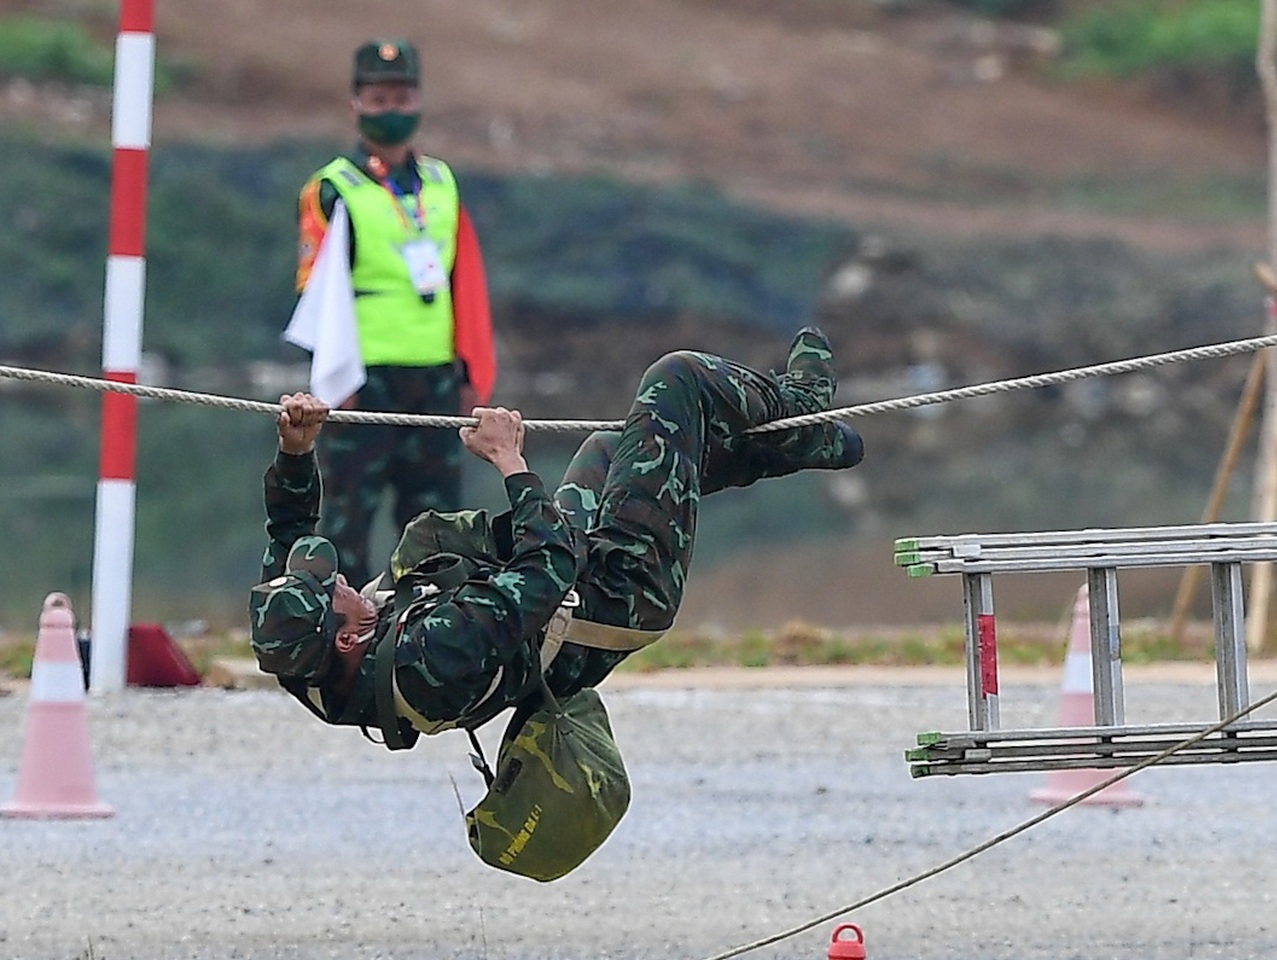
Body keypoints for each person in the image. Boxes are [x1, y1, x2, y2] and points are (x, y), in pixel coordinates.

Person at [249, 331, 861, 745]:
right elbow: (547, 566)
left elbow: (289, 532)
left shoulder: (291, 646)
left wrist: (295, 452)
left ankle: (809, 442)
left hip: (567, 574)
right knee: (675, 380)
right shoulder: (434, 656)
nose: (345, 580)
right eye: (336, 592)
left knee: (613, 450)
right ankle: (800, 405)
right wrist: (509, 461)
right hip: (617, 594)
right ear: (352, 636)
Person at [294, 39, 496, 588]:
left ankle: (427, 636)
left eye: (402, 96)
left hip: (433, 379)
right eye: (380, 97)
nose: (393, 109)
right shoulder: (333, 189)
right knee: (347, 523)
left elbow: (463, 283)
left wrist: (470, 372)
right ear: (357, 103)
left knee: (437, 526)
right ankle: (342, 644)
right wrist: (335, 379)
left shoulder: (441, 182)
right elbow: (318, 292)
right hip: (365, 379)